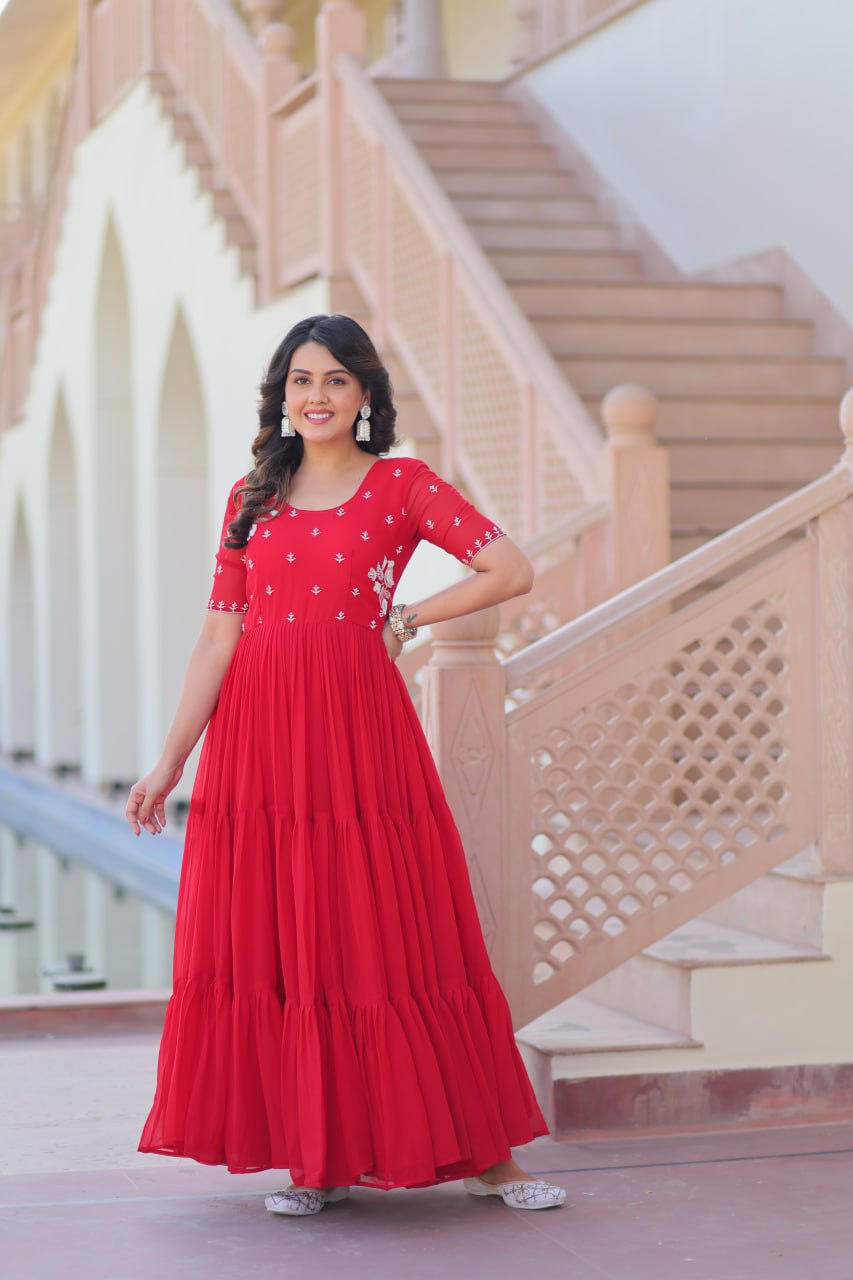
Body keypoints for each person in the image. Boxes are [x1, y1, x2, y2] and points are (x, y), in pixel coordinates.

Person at [126, 314, 566, 1216]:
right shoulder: (252, 494)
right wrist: (169, 762)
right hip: (257, 742)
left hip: (359, 735)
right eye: (301, 380)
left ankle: (488, 1159)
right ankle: (314, 1157)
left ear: (365, 393)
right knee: (289, 941)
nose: (316, 395)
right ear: (281, 396)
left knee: (394, 937)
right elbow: (218, 636)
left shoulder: (402, 486)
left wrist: (405, 617)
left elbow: (508, 569)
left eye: (334, 379)